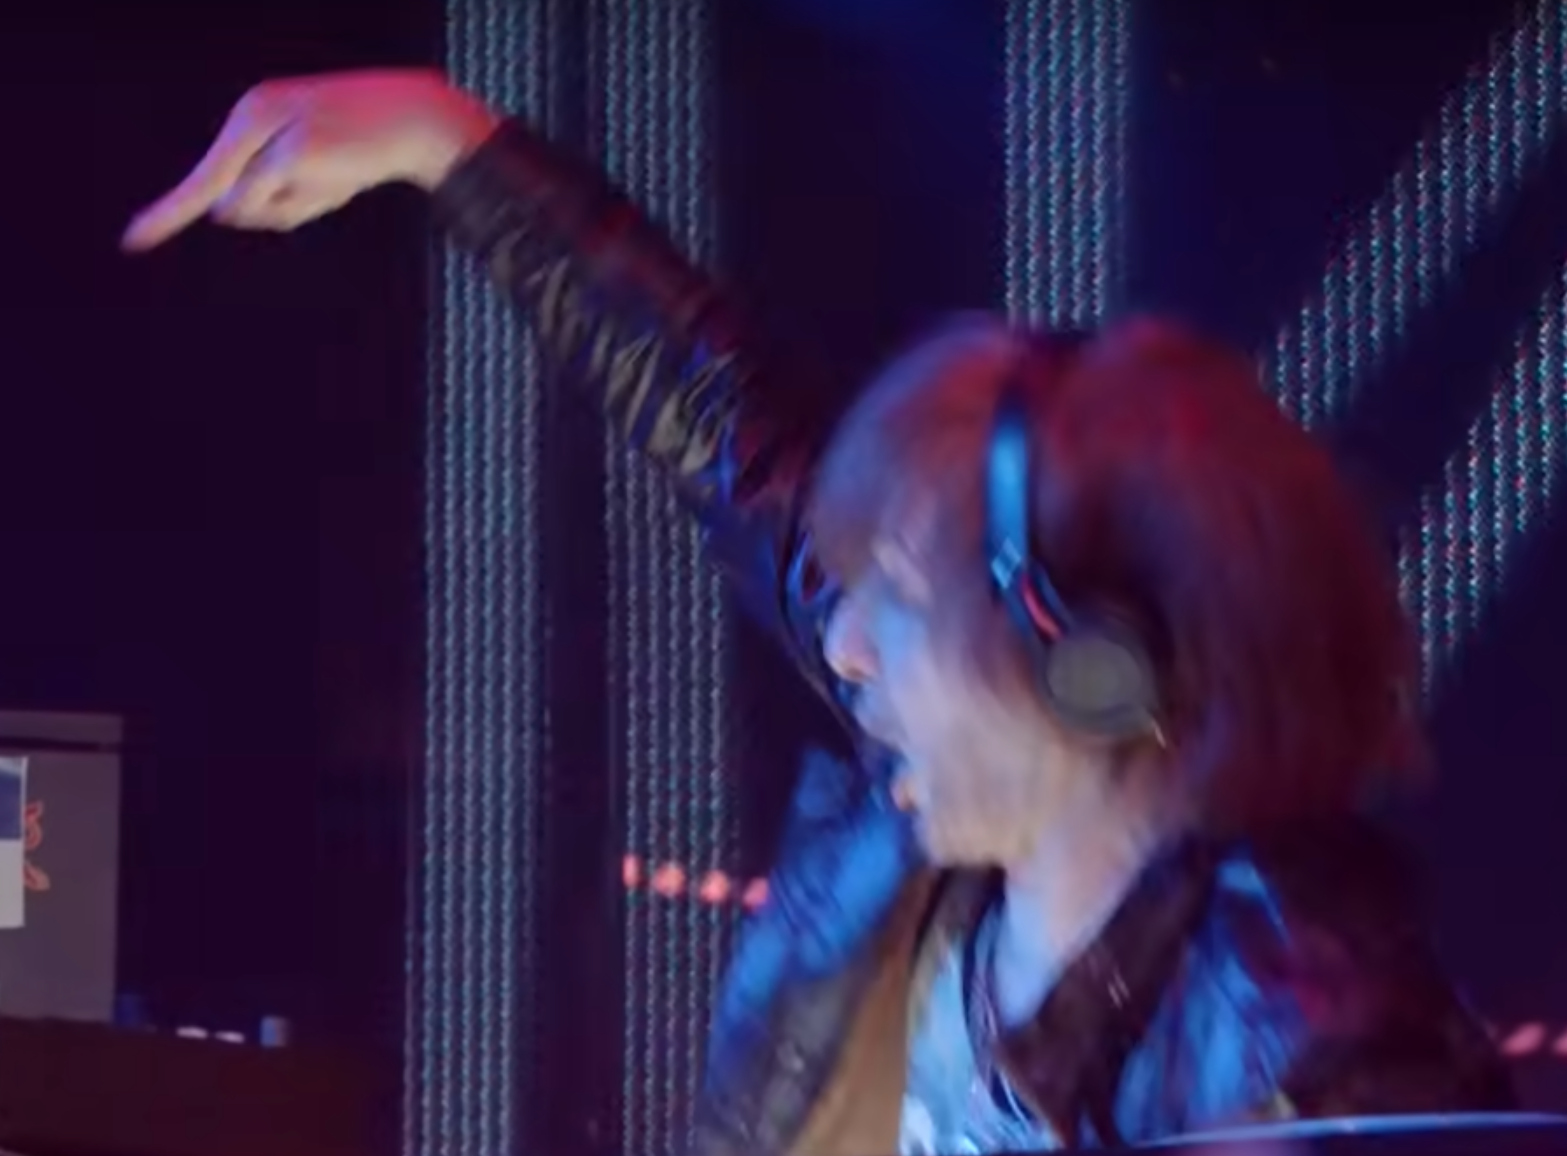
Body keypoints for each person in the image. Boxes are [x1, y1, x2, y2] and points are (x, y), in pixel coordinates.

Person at [121, 70, 1514, 1152]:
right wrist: (446, 142)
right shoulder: (945, 820)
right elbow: (715, 415)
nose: (844, 644)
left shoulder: (1315, 1044)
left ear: (1080, 660)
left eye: (895, 601)